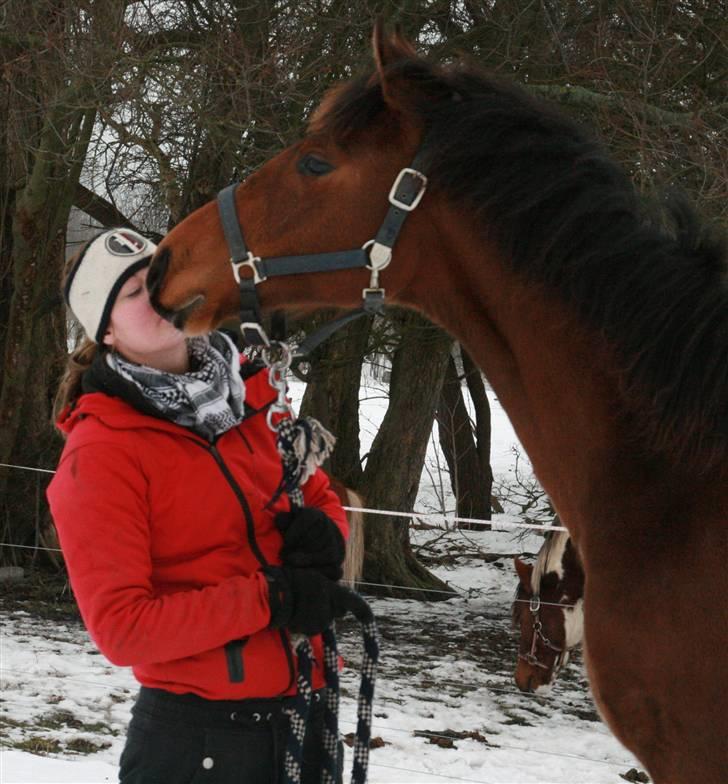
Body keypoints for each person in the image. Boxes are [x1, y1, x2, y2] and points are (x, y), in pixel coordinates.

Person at [47, 228, 351, 784]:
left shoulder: (252, 394)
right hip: (200, 745)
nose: (159, 295)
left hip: (309, 715)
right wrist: (270, 598)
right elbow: (123, 629)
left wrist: (328, 534)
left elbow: (320, 494)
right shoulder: (100, 454)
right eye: (135, 292)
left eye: (163, 278)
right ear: (105, 331)